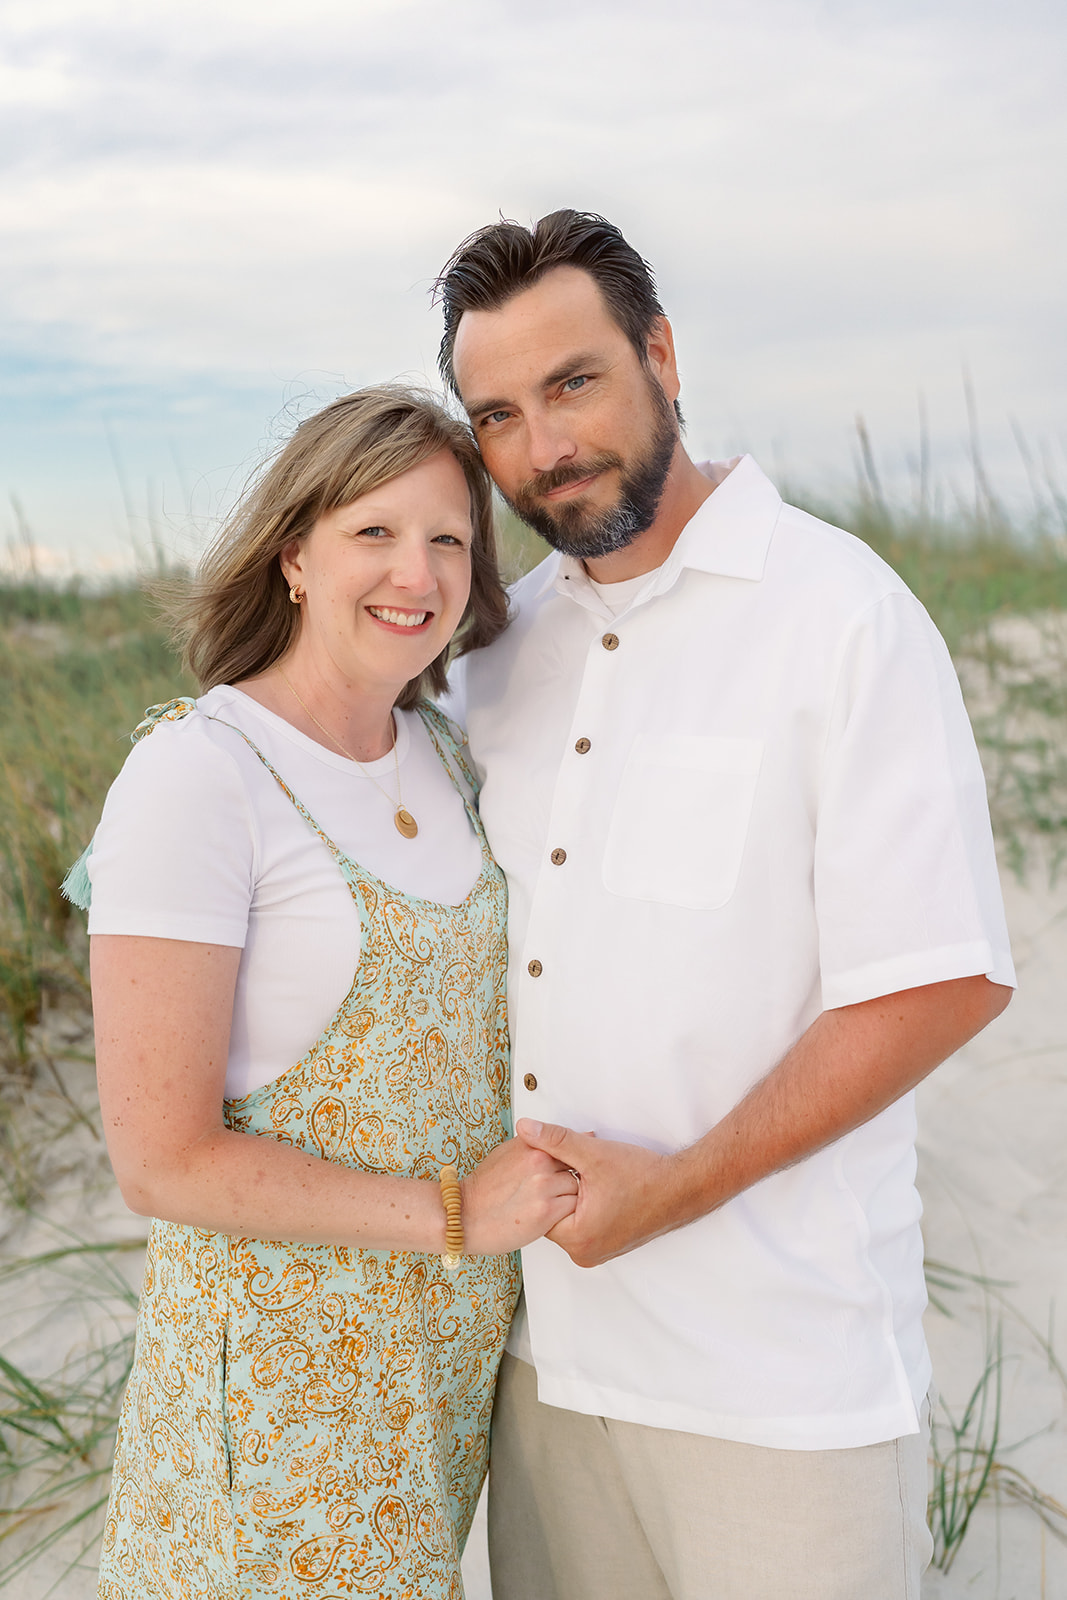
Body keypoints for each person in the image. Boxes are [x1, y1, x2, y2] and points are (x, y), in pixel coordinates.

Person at [433, 211, 1016, 1599]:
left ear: (659, 355)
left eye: (572, 383)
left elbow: (937, 980)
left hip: (779, 1390)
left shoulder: (839, 615)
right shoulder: (492, 660)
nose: (542, 449)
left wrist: (675, 1190)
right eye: (496, 414)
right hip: (543, 1375)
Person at [78, 386, 579, 1600]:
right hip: (272, 1426)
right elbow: (161, 1161)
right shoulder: (201, 773)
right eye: (375, 531)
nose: (417, 569)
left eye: (449, 539)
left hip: (429, 1402)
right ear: (293, 552)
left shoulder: (451, 756)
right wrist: (461, 1212)